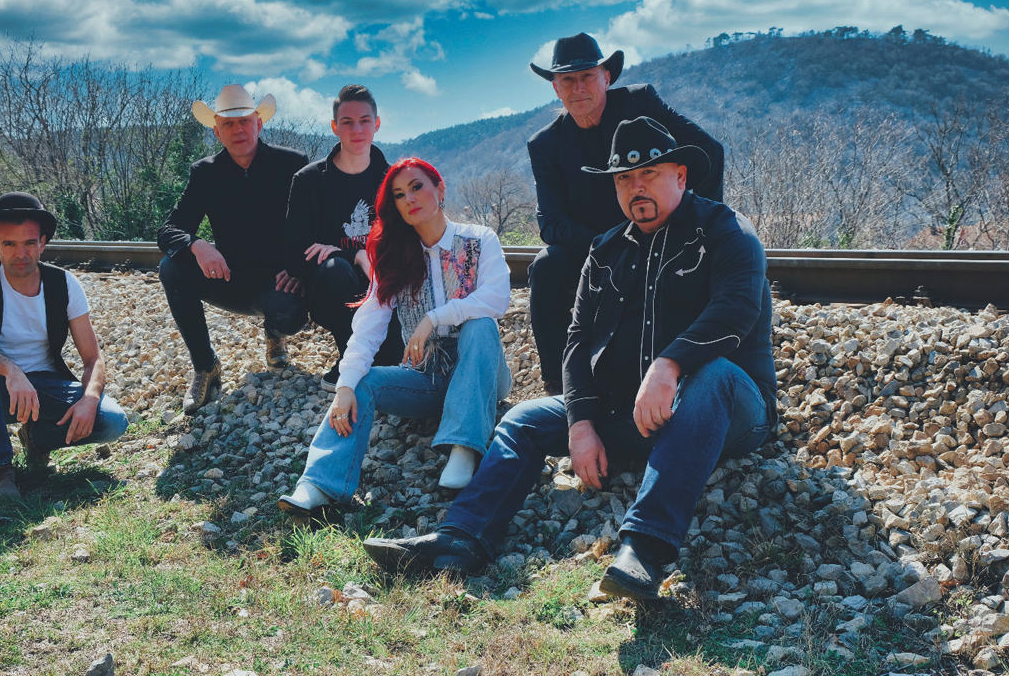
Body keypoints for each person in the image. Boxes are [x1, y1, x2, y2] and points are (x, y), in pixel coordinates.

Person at [363, 118, 777, 602]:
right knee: (522, 419)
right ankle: (461, 536)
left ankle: (643, 551)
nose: (636, 187)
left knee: (714, 375)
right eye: (624, 179)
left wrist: (670, 365)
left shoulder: (726, 231)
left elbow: (736, 309)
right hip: (630, 414)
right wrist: (581, 423)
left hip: (727, 414)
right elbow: (577, 341)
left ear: (681, 176)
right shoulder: (605, 250)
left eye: (649, 174)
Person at [278, 157, 513, 518]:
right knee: (362, 382)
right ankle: (320, 483)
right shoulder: (394, 256)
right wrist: (345, 386)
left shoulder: (479, 239)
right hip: (427, 378)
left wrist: (434, 318)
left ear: (440, 189)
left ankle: (464, 448)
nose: (409, 199)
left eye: (417, 187)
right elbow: (369, 325)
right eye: (399, 195)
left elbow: (496, 298)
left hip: (483, 374)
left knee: (481, 325)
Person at [527, 33, 726, 395]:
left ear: (606, 77)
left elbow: (708, 152)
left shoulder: (640, 102)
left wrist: (697, 226)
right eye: (567, 80)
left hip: (663, 237)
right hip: (596, 249)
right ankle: (558, 387)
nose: (578, 88)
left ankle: (689, 367)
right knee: (546, 266)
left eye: (587, 76)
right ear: (556, 88)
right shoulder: (545, 144)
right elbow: (551, 222)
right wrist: (610, 247)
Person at [0, 192, 130, 501]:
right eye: (10, 244)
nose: (21, 253)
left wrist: (89, 400)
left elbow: (93, 359)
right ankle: (0, 470)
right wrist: (11, 371)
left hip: (45, 388)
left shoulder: (64, 284)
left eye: (29, 243)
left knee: (111, 421)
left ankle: (37, 439)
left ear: (42, 243)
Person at [158, 84, 309, 414]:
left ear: (259, 123)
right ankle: (205, 366)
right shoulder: (205, 172)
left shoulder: (292, 164)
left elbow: (315, 223)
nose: (238, 130)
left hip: (280, 280)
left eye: (244, 121)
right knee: (171, 266)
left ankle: (275, 334)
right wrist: (197, 244)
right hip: (230, 277)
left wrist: (299, 268)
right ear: (217, 132)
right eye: (228, 124)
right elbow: (168, 231)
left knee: (290, 315)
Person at [284, 84, 403, 392]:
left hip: (384, 287)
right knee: (335, 268)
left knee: (395, 363)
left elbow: (409, 244)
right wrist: (352, 255)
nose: (357, 130)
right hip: (333, 291)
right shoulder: (309, 181)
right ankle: (352, 357)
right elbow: (294, 256)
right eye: (347, 122)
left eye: (365, 120)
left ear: (377, 124)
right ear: (335, 127)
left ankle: (369, 361)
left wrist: (351, 253)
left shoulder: (394, 180)